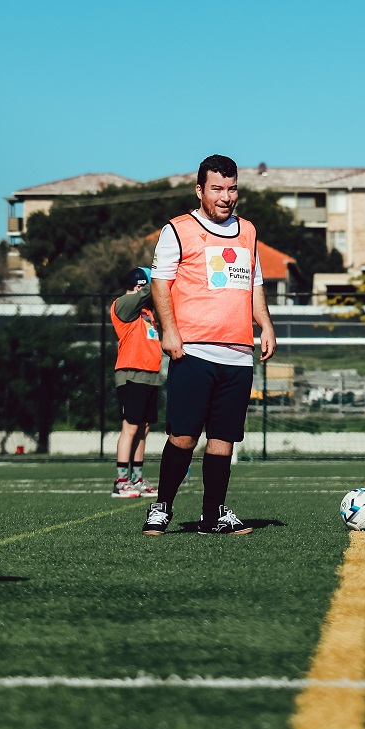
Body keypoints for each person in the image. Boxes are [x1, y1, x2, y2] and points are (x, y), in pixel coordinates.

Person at [141, 155, 276, 536]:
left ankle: (212, 515)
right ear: (200, 190)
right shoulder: (178, 229)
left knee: (223, 439)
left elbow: (254, 284)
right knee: (183, 435)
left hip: (237, 354)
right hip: (194, 350)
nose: (226, 196)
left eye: (232, 189)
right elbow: (160, 283)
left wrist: (265, 324)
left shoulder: (248, 231)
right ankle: (162, 506)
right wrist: (170, 331)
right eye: (217, 188)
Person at [111, 266, 163, 498]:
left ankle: (136, 479)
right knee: (130, 426)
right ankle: (121, 481)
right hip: (131, 373)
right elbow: (149, 291)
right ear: (141, 285)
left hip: (150, 375)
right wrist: (163, 274)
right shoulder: (123, 303)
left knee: (144, 428)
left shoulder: (147, 312)